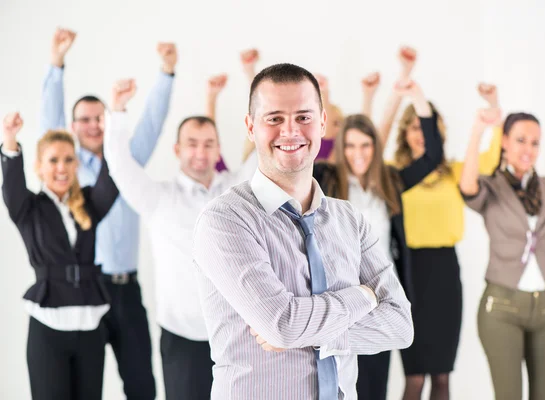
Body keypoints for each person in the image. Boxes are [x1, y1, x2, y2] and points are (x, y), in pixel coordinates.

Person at [192, 63, 414, 400]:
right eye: (274, 118)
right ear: (251, 127)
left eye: (304, 117)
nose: (290, 131)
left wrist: (318, 332)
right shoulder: (224, 220)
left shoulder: (350, 220)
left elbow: (400, 326)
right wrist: (365, 297)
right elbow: (281, 324)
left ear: (323, 123)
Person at [40, 28, 176, 399]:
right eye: (84, 119)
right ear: (72, 127)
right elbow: (50, 122)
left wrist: (166, 73)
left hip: (126, 290)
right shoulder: (67, 169)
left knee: (142, 386)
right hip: (84, 289)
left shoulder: (126, 163)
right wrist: (56, 62)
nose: (93, 125)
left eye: (99, 117)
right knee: (86, 388)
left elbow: (151, 124)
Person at [104, 75, 256, 399]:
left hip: (237, 337)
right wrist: (117, 109)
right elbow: (119, 164)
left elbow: (263, 151)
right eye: (192, 143)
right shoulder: (159, 198)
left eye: (208, 143)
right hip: (182, 337)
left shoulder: (237, 189)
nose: (200, 152)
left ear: (218, 148)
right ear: (177, 149)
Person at [313, 78, 443, 400]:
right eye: (351, 145)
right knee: (336, 384)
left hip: (381, 297)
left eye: (366, 145)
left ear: (376, 147)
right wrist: (321, 99)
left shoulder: (390, 181)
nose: (359, 154)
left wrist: (417, 96)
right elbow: (305, 146)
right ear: (340, 148)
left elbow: (432, 157)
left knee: (375, 388)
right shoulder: (325, 178)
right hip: (339, 297)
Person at [459, 109, 545, 400]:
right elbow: (467, 187)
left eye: (535, 143)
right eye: (521, 140)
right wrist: (477, 132)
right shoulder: (492, 187)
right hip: (501, 307)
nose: (528, 149)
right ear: (505, 142)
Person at [382, 83, 502, 400]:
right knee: (415, 377)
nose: (420, 133)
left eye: (428, 127)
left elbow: (492, 158)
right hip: (408, 273)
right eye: (414, 126)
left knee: (443, 378)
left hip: (446, 273)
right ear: (405, 133)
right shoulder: (395, 174)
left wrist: (493, 105)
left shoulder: (454, 174)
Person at [1, 112, 119, 400]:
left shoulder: (89, 203)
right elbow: (12, 184)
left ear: (77, 165)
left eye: (68, 159)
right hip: (48, 329)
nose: (61, 167)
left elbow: (111, 178)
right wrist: (10, 138)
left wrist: (112, 127)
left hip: (90, 327)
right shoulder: (28, 208)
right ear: (40, 167)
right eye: (53, 160)